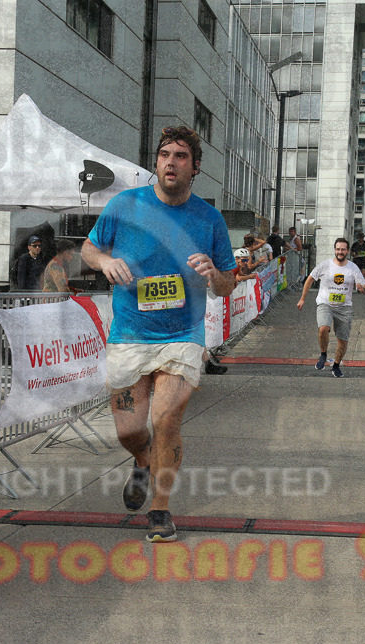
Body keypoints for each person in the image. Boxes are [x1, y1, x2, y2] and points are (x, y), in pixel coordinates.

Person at [81, 126, 236, 543]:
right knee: (130, 431)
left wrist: (214, 274)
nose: (170, 162)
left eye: (181, 156)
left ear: (195, 167)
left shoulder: (209, 219)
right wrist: (104, 263)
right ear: (156, 163)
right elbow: (89, 248)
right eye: (164, 154)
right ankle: (142, 459)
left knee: (166, 419)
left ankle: (160, 510)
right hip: (130, 333)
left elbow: (227, 285)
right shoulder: (124, 204)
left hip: (182, 335)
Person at [297, 237, 365, 378]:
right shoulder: (325, 265)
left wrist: (362, 288)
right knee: (323, 328)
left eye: (343, 249)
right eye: (337, 249)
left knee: (343, 340)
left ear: (347, 251)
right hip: (325, 303)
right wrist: (302, 298)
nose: (340, 252)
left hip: (344, 307)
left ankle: (336, 365)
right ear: (334, 250)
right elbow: (310, 279)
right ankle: (323, 354)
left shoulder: (353, 268)